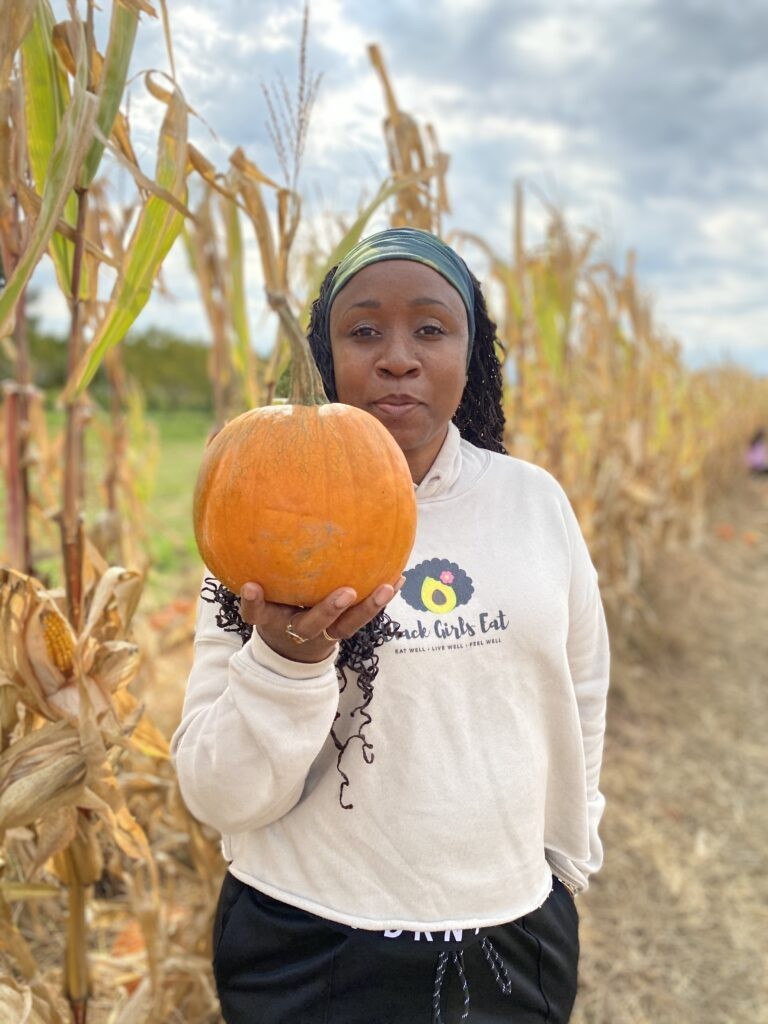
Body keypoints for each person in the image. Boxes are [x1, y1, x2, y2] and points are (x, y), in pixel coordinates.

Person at [171, 228, 610, 1024]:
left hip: (510, 927)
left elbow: (579, 691)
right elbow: (217, 794)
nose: (398, 356)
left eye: (431, 329)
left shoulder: (532, 503)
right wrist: (286, 658)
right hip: (306, 935)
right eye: (364, 330)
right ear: (323, 353)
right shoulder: (257, 524)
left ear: (473, 354)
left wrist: (567, 857)